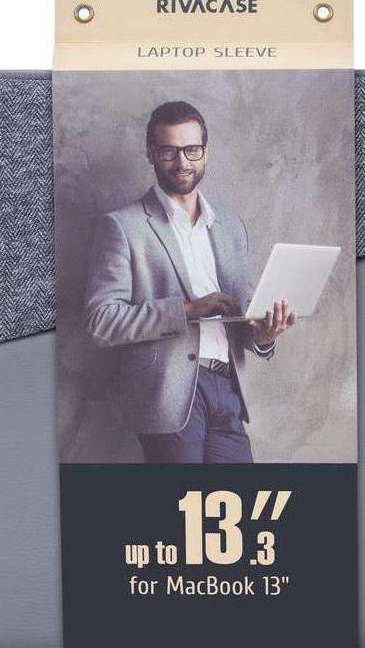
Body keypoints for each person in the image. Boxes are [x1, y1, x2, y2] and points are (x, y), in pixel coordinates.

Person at [84, 100, 295, 463]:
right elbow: (101, 321)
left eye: (192, 150)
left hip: (228, 389)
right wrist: (186, 310)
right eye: (169, 151)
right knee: (182, 500)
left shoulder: (231, 228)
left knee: (239, 502)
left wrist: (263, 337)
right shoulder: (122, 226)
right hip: (170, 395)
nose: (182, 162)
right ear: (151, 154)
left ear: (205, 152)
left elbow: (242, 316)